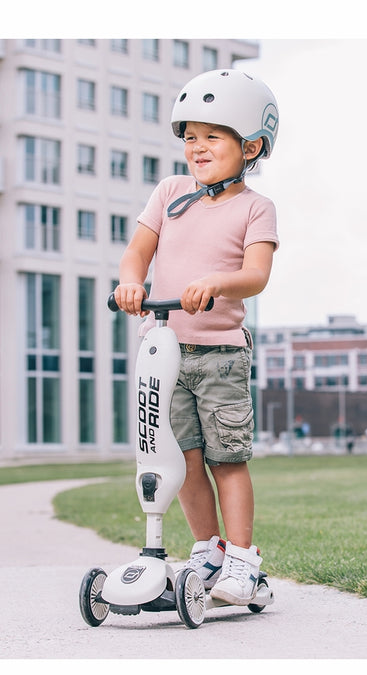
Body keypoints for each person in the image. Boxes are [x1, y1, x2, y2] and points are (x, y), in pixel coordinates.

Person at [113, 69, 279, 605]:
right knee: (179, 459)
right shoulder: (169, 193)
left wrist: (216, 282)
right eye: (190, 137)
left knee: (225, 458)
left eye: (213, 135)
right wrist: (131, 282)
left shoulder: (255, 208)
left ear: (251, 144)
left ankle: (241, 561)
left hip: (220, 355)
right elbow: (138, 251)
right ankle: (206, 550)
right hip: (162, 349)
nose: (198, 147)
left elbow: (256, 275)